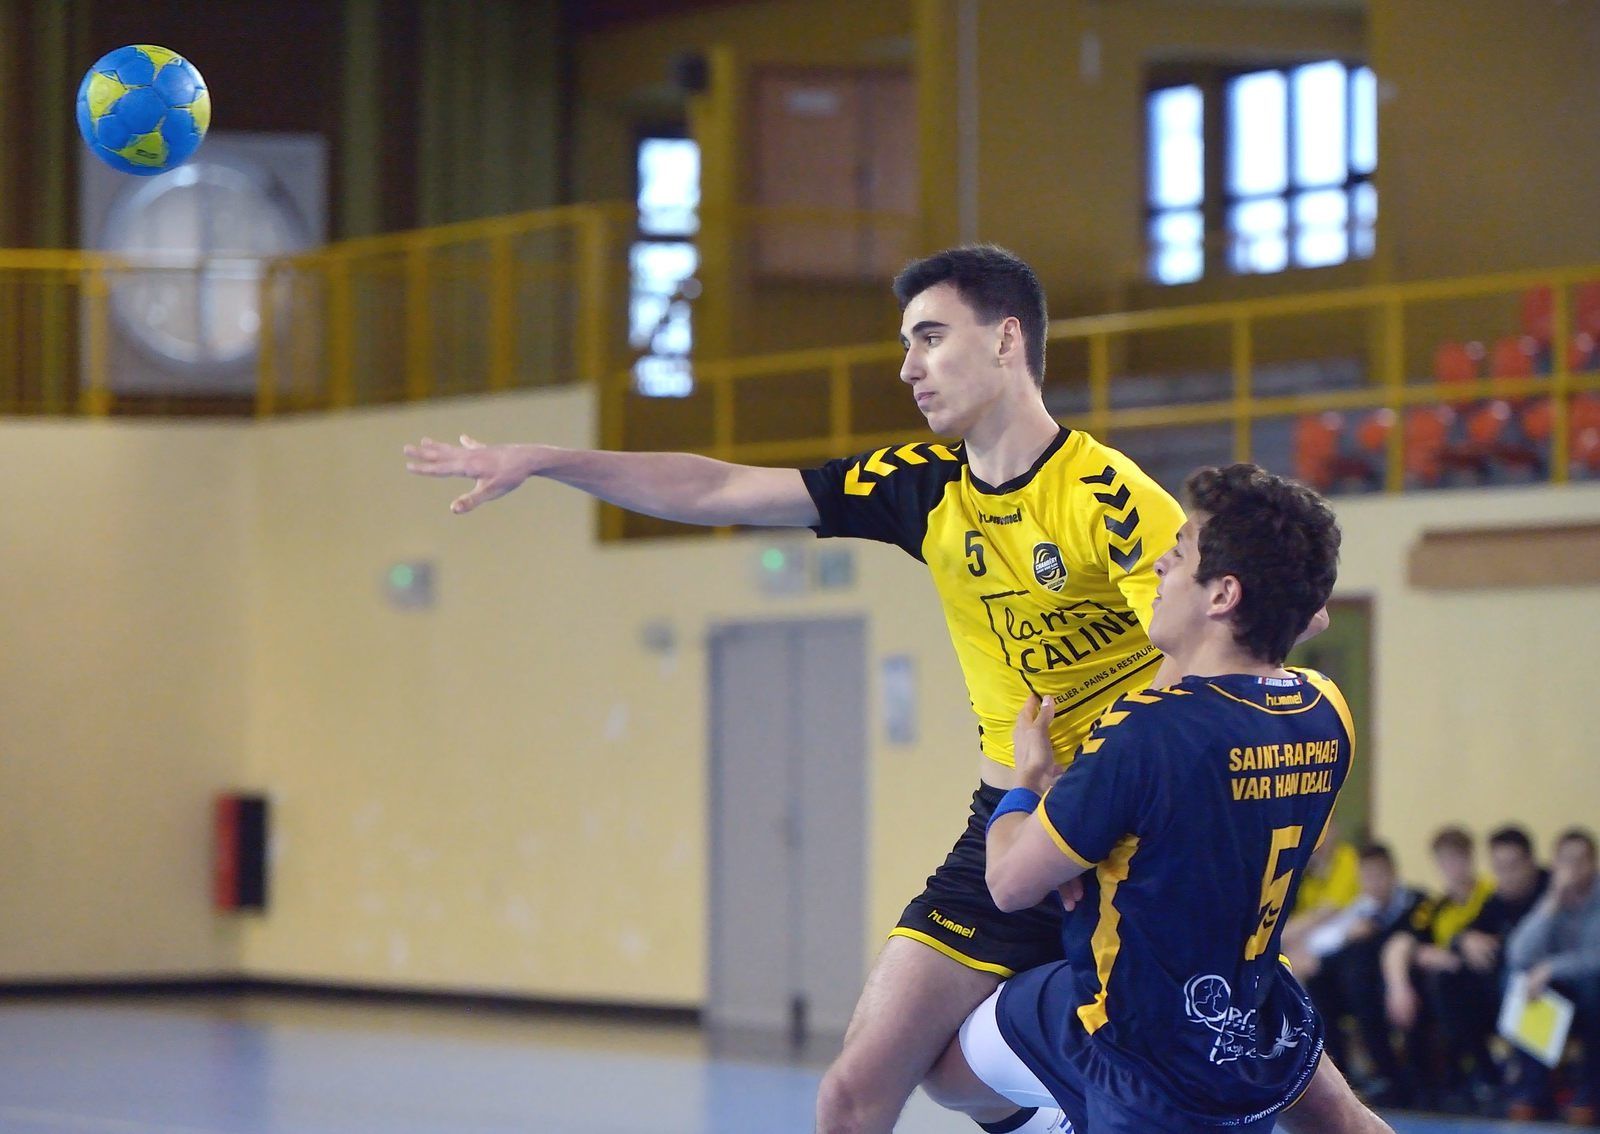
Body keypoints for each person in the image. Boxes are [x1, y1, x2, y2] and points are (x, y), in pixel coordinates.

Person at [407, 244, 1187, 1134]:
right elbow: (719, 484)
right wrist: (551, 459)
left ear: (1007, 338)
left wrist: (1093, 793)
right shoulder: (922, 488)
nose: (908, 368)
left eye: (930, 338)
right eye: (905, 344)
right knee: (861, 1093)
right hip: (1007, 814)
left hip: (1126, 831)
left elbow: (1189, 651)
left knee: (1227, 1088)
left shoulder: (1109, 494)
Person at [923, 463, 1393, 1133]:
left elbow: (1007, 882)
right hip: (1252, 1010)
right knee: (1341, 1117)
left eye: (1172, 562)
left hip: (1139, 1042)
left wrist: (1025, 785)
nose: (1156, 576)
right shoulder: (1327, 708)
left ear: (1223, 595)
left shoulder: (1145, 733)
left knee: (944, 1068)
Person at [1380, 825, 1495, 1108]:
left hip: (1485, 984)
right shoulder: (1433, 907)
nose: (1451, 867)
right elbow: (1401, 943)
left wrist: (1458, 946)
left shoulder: (1490, 896)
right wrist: (1400, 986)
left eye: (1457, 858)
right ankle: (1424, 1083)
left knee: (1446, 984)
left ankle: (1480, 1074)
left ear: (1470, 858)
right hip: (1448, 993)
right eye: (1444, 860)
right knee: (1424, 984)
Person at [1304, 843, 1424, 1107]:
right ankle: (1340, 1077)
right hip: (1363, 993)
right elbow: (1322, 944)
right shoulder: (1359, 911)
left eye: (1378, 875)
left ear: (1393, 873)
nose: (1373, 883)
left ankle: (1405, 1080)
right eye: (1366, 877)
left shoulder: (1415, 902)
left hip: (1407, 986)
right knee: (1321, 982)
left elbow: (1411, 944)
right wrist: (1348, 934)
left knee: (1365, 987)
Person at [1504, 828, 1600, 1123]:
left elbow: (1595, 957)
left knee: (1594, 989)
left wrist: (1549, 969)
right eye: (1564, 860)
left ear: (1593, 863)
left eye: (1579, 860)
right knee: (1518, 980)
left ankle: (1590, 1092)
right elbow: (1518, 953)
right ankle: (1534, 1091)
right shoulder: (1551, 897)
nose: (1571, 868)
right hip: (1561, 990)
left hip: (1592, 988)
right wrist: (1552, 902)